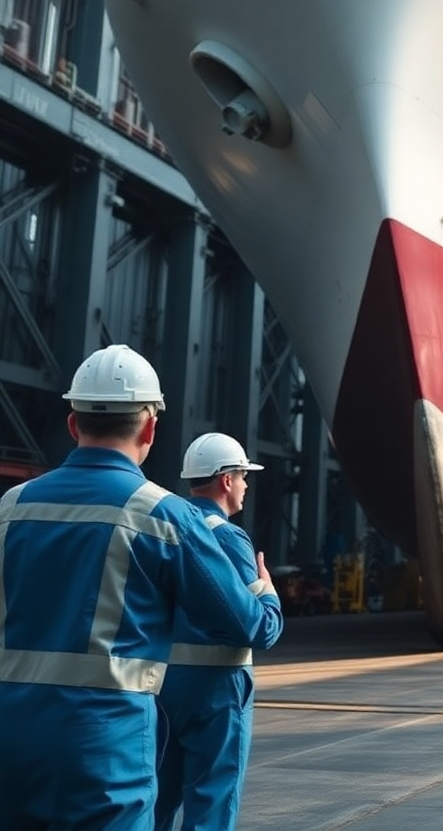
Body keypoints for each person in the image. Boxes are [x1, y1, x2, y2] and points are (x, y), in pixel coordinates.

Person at [0, 345, 284, 831]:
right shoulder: (163, 517)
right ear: (150, 428)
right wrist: (266, 593)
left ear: (73, 424)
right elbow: (247, 625)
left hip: (11, 741)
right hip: (106, 750)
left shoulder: (11, 506)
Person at [154, 433, 271, 831]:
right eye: (242, 476)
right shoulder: (227, 536)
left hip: (162, 685)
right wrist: (269, 593)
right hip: (216, 689)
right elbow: (259, 628)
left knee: (158, 800)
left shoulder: (165, 527)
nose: (245, 485)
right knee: (212, 803)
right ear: (225, 480)